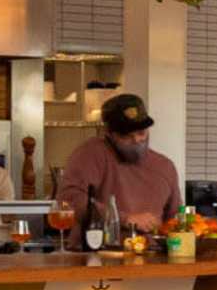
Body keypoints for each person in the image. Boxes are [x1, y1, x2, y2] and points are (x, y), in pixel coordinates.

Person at [51, 92, 182, 239]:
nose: (137, 140)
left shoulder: (165, 166)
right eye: (126, 136)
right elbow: (68, 202)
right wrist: (124, 218)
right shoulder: (90, 155)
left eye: (141, 133)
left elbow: (176, 220)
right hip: (97, 254)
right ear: (109, 133)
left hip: (152, 256)